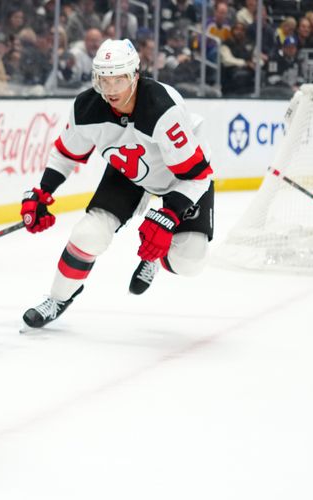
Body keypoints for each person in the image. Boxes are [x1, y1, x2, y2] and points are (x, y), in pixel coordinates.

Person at [19, 39, 214, 329]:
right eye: (103, 80)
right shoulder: (87, 107)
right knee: (88, 234)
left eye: (119, 79)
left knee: (189, 260)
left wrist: (169, 217)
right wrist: (42, 191)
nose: (110, 90)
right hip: (128, 174)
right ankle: (58, 298)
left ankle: (154, 256)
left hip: (180, 178)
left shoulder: (162, 109)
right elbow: (65, 152)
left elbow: (197, 175)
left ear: (135, 75)